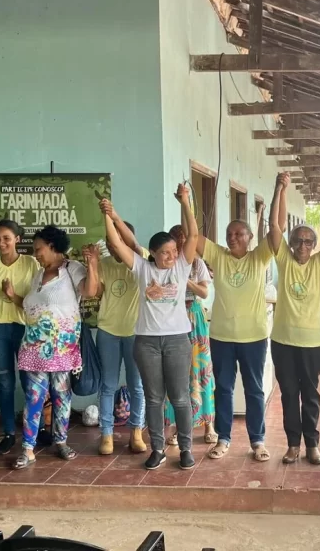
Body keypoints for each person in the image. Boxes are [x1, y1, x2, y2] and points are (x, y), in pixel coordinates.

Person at [103, 185, 199, 470]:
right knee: (154, 398)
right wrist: (108, 216)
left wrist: (185, 202)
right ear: (153, 253)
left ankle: (185, 449)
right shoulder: (142, 269)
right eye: (165, 253)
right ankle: (157, 448)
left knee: (180, 398)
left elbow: (193, 234)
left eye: (173, 251)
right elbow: (118, 244)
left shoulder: (181, 268)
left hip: (177, 342)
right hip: (146, 343)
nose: (171, 257)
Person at [199, 183, 279, 463]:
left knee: (255, 389)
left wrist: (278, 190)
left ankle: (257, 441)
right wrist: (186, 202)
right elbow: (195, 238)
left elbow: (276, 231)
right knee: (223, 388)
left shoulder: (259, 258)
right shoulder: (219, 257)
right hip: (221, 336)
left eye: (238, 234)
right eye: (229, 234)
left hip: (254, 337)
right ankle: (223, 438)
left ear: (249, 237)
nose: (232, 238)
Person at [12, 226, 100, 469]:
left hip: (62, 349)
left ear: (53, 246)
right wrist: (13, 296)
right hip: (34, 347)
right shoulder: (38, 275)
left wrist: (92, 264)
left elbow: (91, 291)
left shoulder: (72, 269)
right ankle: (28, 449)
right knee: (34, 397)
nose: (36, 254)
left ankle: (60, 442)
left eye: (39, 249)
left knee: (62, 397)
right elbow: (33, 306)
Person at [270, 177, 320, 465]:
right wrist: (280, 190)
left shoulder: (319, 262)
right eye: (298, 240)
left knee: (310, 395)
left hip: (313, 342)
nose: (303, 245)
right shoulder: (284, 261)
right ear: (291, 244)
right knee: (289, 394)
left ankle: (312, 444)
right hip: (283, 342)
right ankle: (292, 445)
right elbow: (274, 228)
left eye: (308, 241)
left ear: (314, 245)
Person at [0, 220, 40, 455]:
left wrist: (12, 295)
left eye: (6, 238)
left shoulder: (31, 264)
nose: (1, 243)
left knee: (30, 382)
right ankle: (9, 433)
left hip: (25, 327)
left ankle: (36, 429)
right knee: (5, 383)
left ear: (17, 240)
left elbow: (37, 301)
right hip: (0, 328)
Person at [94, 215, 147, 456]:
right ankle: (106, 434)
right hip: (108, 331)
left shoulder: (141, 258)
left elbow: (135, 248)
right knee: (108, 385)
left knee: (137, 385)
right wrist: (93, 264)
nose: (113, 245)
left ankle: (136, 431)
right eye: (109, 241)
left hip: (136, 333)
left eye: (117, 240)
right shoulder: (104, 263)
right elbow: (93, 293)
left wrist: (112, 215)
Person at [163, 224, 216, 447]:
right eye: (176, 240)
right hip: (172, 320)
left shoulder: (197, 262)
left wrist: (187, 281)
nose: (181, 244)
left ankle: (208, 425)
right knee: (177, 375)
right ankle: (178, 428)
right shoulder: (165, 265)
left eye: (184, 239)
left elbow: (204, 292)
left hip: (194, 318)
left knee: (201, 371)